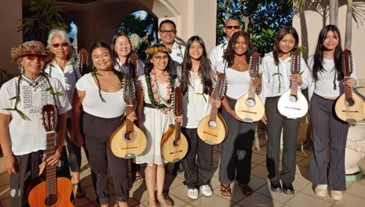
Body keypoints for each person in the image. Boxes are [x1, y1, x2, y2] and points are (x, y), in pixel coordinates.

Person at [0, 40, 71, 207]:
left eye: (40, 57)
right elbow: (2, 124)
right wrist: (8, 155)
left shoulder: (55, 84)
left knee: (58, 194)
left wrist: (60, 147)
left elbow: (62, 118)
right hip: (22, 152)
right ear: (21, 60)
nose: (35, 61)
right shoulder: (9, 88)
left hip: (52, 152)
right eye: (30, 56)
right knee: (23, 198)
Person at [72, 42, 135, 207]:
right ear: (91, 60)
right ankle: (103, 202)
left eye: (104, 54)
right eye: (96, 56)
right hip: (92, 130)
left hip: (118, 129)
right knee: (99, 170)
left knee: (120, 170)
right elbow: (76, 109)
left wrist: (131, 113)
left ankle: (122, 201)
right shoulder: (85, 81)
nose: (101, 59)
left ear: (112, 55)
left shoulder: (125, 78)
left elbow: (131, 104)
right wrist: (76, 133)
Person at [307, 25, 357, 201]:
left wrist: (352, 81)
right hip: (319, 103)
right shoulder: (313, 60)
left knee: (337, 146)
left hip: (340, 105)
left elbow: (354, 79)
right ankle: (320, 181)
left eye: (334, 37)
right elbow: (310, 83)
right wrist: (309, 106)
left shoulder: (345, 58)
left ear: (338, 39)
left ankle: (336, 184)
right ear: (321, 39)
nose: (330, 40)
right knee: (319, 144)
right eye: (326, 37)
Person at [261, 26, 310, 194]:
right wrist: (262, 109)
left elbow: (309, 82)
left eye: (291, 41)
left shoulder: (299, 59)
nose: (287, 44)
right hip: (273, 102)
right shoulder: (267, 59)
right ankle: (274, 178)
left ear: (295, 43)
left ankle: (288, 179)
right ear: (278, 40)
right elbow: (264, 85)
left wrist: (301, 79)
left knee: (290, 143)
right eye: (284, 40)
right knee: (273, 143)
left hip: (293, 102)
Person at [216, 31, 260, 197]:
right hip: (230, 105)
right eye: (237, 42)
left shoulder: (254, 63)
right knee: (228, 145)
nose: (240, 46)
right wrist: (230, 111)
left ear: (248, 45)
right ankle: (225, 181)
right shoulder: (224, 63)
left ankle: (243, 180)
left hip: (249, 106)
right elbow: (219, 91)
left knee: (245, 147)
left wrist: (259, 83)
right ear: (232, 44)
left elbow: (259, 89)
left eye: (244, 43)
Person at [135, 44, 180, 207]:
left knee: (162, 161)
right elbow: (139, 106)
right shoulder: (143, 80)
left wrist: (177, 118)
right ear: (151, 60)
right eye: (158, 57)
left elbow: (176, 103)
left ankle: (160, 194)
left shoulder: (174, 79)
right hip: (150, 120)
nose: (162, 60)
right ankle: (151, 198)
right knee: (151, 162)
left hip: (167, 120)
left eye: (165, 57)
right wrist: (139, 125)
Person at [44, 28, 85, 198]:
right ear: (50, 47)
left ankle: (76, 181)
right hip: (53, 118)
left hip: (74, 115)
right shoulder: (45, 66)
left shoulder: (76, 65)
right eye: (56, 45)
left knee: (74, 148)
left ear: (69, 46)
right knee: (56, 151)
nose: (61, 48)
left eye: (64, 44)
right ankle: (62, 181)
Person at [180, 36, 220, 200]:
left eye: (199, 47)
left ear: (203, 49)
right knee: (188, 154)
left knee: (206, 153)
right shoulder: (180, 71)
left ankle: (204, 182)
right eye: (192, 47)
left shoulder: (209, 69)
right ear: (187, 50)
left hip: (205, 120)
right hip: (188, 120)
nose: (196, 50)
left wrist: (215, 100)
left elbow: (213, 92)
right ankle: (191, 183)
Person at [111, 32, 144, 183]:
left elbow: (142, 86)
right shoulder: (111, 65)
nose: (124, 46)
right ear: (115, 47)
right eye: (120, 44)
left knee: (134, 135)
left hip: (134, 106)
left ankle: (136, 169)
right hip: (116, 108)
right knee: (121, 137)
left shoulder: (138, 63)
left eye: (126, 43)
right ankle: (122, 170)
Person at [159, 19, 185, 175]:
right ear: (160, 33)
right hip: (160, 96)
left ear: (175, 33)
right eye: (164, 31)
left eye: (171, 31)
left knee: (178, 127)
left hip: (179, 94)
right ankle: (162, 159)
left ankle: (178, 160)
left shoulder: (183, 49)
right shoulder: (153, 50)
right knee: (163, 128)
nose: (168, 34)